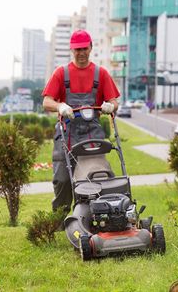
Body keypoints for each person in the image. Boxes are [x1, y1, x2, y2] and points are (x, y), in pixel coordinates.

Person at [41, 30, 120, 214]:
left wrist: (110, 106)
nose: (81, 53)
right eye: (77, 50)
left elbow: (114, 101)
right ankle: (60, 218)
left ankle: (98, 214)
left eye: (84, 48)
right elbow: (46, 101)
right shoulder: (62, 73)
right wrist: (60, 106)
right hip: (66, 133)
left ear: (91, 48)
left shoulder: (101, 74)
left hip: (92, 133)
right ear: (72, 50)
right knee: (62, 179)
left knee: (95, 175)